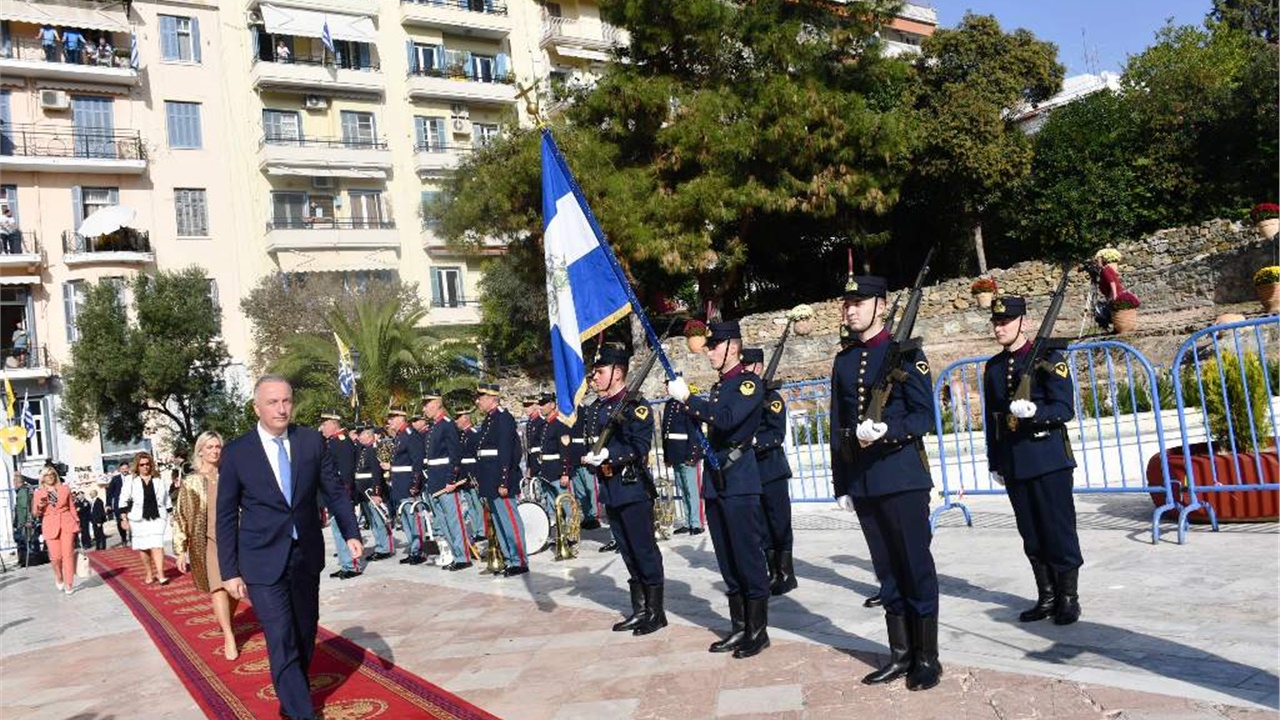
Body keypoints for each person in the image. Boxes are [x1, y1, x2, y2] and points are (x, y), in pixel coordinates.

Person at [216, 375, 362, 720]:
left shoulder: (311, 441)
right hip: (261, 560)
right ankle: (303, 713)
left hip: (305, 554)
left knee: (304, 631)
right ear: (257, 407)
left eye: (286, 401)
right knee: (280, 635)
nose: (281, 409)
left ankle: (290, 697)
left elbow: (334, 491)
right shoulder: (237, 452)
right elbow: (224, 516)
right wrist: (229, 570)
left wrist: (351, 532)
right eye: (273, 402)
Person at [831, 274, 941, 691]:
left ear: (882, 304)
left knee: (914, 567)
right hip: (864, 481)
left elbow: (924, 417)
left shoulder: (907, 355)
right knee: (887, 572)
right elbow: (837, 425)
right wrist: (842, 482)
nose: (851, 309)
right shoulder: (843, 361)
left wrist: (887, 431)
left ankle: (927, 658)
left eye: (860, 302)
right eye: (848, 303)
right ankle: (900, 655)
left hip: (902, 477)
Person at [667, 320, 771, 659]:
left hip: (739, 483)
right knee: (727, 560)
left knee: (748, 558)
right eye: (709, 346)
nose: (709, 351)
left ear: (733, 347)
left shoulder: (748, 384)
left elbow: (726, 419)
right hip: (716, 483)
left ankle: (757, 631)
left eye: (714, 346)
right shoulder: (719, 386)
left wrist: (689, 399)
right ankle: (738, 627)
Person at [983, 295, 1082, 626]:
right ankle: (1047, 596)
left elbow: (1064, 408)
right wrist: (995, 460)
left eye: (1005, 322)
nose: (999, 328)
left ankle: (1068, 597)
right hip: (1015, 462)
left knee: (1058, 530)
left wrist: (1037, 413)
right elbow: (993, 419)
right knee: (1031, 533)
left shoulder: (1048, 357)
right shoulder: (994, 368)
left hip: (1049, 459)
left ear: (1023, 322)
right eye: (995, 322)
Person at [582, 345, 666, 635]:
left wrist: (610, 454)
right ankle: (639, 609)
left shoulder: (635, 406)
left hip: (632, 488)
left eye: (600, 372)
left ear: (617, 373)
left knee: (644, 550)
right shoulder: (596, 408)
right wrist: (591, 458)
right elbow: (591, 440)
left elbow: (640, 446)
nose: (595, 377)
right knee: (628, 552)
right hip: (610, 489)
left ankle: (656, 612)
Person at [174, 431, 242, 660]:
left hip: (234, 538)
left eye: (217, 447)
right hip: (207, 541)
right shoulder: (192, 481)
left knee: (234, 590)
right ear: (200, 450)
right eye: (209, 447)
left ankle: (226, 622)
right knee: (219, 587)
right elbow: (181, 515)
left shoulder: (229, 475)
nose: (214, 451)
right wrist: (180, 549)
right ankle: (229, 637)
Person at [741, 348, 797, 596]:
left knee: (779, 522)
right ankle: (772, 571)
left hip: (771, 469)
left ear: (759, 367)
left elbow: (777, 434)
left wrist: (754, 441)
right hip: (751, 471)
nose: (744, 370)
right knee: (761, 525)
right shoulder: (744, 396)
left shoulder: (771, 397)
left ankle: (786, 573)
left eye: (749, 366)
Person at [472, 383, 528, 576]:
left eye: (481, 398)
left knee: (509, 520)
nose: (478, 401)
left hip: (500, 479)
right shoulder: (489, 419)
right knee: (498, 520)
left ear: (492, 398)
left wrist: (504, 481)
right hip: (489, 478)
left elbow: (506, 452)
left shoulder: (503, 418)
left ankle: (519, 560)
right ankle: (509, 558)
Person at [420, 390, 468, 570]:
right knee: (443, 522)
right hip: (435, 481)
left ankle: (463, 557)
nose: (424, 408)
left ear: (437, 404)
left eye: (427, 404)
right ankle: (456, 555)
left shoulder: (447, 425)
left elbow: (455, 454)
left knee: (454, 521)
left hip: (446, 481)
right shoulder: (434, 426)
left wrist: (451, 479)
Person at [118, 451, 172, 585]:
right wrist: (123, 519)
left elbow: (167, 500)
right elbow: (123, 500)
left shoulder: (159, 480)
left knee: (157, 545)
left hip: (158, 517)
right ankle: (149, 572)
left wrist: (172, 515)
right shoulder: (131, 481)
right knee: (144, 547)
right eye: (142, 465)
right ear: (137, 466)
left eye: (148, 464)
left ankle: (161, 575)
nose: (145, 467)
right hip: (138, 519)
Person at [319, 412, 361, 579]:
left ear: (334, 423)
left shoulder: (342, 442)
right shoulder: (332, 442)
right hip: (333, 494)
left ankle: (352, 565)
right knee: (337, 530)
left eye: (325, 424)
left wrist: (345, 495)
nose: (322, 428)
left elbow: (345, 472)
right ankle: (345, 563)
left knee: (345, 529)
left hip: (341, 494)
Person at [383, 407, 427, 564]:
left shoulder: (410, 435)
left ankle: (419, 550)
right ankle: (413, 548)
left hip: (408, 483)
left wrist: (415, 484)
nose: (390, 421)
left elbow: (417, 462)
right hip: (400, 483)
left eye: (393, 417)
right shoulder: (400, 436)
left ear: (401, 418)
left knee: (414, 518)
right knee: (406, 520)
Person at [661, 379, 703, 535]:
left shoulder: (687, 403)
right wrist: (667, 455)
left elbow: (694, 432)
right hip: (675, 453)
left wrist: (692, 454)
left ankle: (696, 523)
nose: (666, 388)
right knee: (683, 489)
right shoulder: (669, 405)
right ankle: (687, 521)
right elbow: (665, 433)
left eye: (668, 385)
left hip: (686, 452)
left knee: (691, 489)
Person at [32, 465, 79, 595]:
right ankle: (59, 577)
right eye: (47, 475)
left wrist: (77, 522)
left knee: (68, 555)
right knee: (55, 557)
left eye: (52, 474)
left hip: (66, 523)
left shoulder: (65, 489)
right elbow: (35, 513)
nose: (50, 477)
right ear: (42, 478)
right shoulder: (38, 493)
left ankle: (69, 583)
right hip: (50, 524)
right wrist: (40, 506)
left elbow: (71, 507)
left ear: (55, 475)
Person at [354, 424, 393, 561]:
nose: (359, 437)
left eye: (362, 434)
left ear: (369, 436)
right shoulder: (364, 449)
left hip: (372, 491)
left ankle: (385, 548)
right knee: (372, 521)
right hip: (364, 491)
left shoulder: (373, 450)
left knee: (379, 520)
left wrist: (377, 493)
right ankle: (380, 545)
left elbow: (376, 473)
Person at [569, 393, 602, 531]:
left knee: (591, 488)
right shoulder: (567, 414)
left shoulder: (585, 411)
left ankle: (595, 516)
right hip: (573, 457)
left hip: (584, 455)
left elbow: (588, 435)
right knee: (580, 491)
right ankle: (588, 515)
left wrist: (585, 454)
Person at [455, 407, 485, 541]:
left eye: (458, 418)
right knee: (471, 505)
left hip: (473, 475)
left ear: (465, 418)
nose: (456, 421)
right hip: (464, 476)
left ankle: (482, 530)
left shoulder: (474, 434)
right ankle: (476, 529)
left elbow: (478, 458)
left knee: (477, 504)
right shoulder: (462, 435)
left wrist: (477, 476)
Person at [107, 462, 130, 546]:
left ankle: (133, 537)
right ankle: (123, 538)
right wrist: (108, 504)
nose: (124, 470)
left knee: (132, 520)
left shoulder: (133, 478)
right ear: (120, 470)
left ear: (128, 469)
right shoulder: (115, 479)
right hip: (119, 504)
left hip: (130, 504)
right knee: (120, 522)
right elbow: (109, 492)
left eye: (126, 468)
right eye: (122, 469)